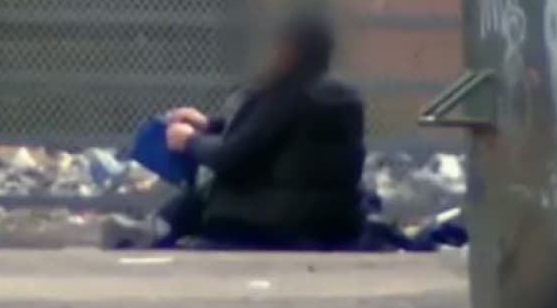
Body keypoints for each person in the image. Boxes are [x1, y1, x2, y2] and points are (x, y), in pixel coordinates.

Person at [102, 13, 367, 250]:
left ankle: (155, 229)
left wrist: (189, 141)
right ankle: (156, 228)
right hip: (336, 221)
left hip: (275, 221)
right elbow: (271, 135)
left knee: (214, 187)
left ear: (289, 49)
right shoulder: (344, 98)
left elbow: (230, 156)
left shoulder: (286, 93)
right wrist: (209, 125)